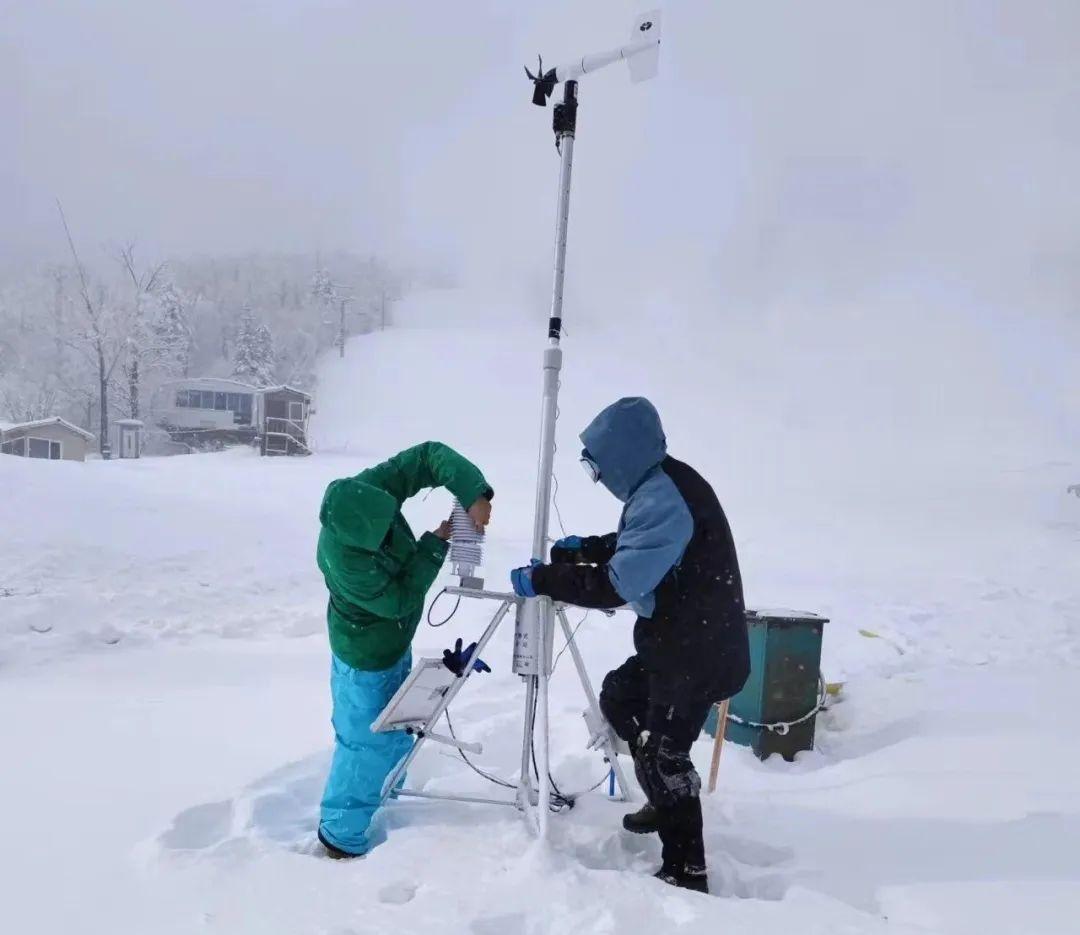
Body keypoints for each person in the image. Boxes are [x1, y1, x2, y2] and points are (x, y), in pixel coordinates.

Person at [510, 397, 749, 893]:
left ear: (621, 455)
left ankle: (686, 871)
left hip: (696, 654)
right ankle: (665, 802)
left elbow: (618, 583)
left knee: (665, 756)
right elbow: (637, 542)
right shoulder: (658, 486)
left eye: (597, 464)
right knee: (620, 696)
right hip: (678, 645)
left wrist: (545, 578)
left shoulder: (664, 497)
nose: (596, 475)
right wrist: (587, 548)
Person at [315, 441, 493, 858]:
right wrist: (434, 543)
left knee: (396, 727)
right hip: (364, 655)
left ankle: (383, 797)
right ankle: (340, 834)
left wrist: (474, 492)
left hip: (394, 644)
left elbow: (427, 456)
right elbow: (400, 599)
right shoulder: (346, 562)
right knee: (364, 742)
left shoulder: (367, 491)